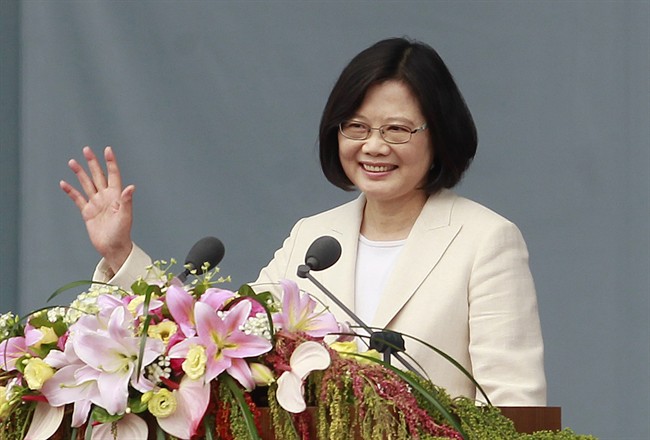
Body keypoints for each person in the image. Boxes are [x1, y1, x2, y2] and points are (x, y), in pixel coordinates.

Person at [60, 37, 546, 406]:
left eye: (397, 129)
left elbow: (514, 401)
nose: (374, 146)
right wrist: (122, 255)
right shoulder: (313, 238)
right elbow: (222, 342)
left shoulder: (485, 240)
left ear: (438, 135)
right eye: (356, 127)